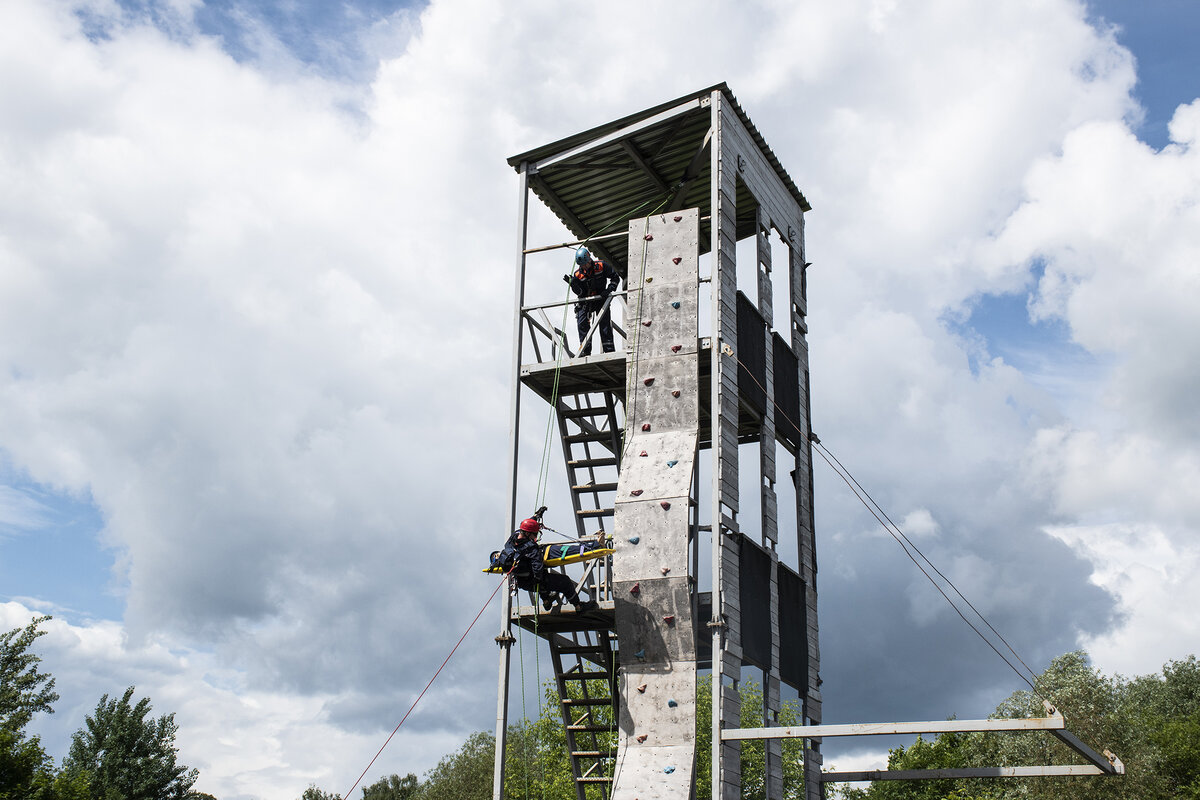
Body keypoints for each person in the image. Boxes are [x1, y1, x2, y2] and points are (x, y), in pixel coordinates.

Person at [497, 515, 597, 612]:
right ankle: (578, 606)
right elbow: (537, 568)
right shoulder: (531, 547)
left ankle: (546, 600)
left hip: (522, 582)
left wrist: (536, 516)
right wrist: (540, 580)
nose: (536, 537)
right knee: (564, 582)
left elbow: (527, 526)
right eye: (535, 534)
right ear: (528, 534)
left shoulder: (512, 538)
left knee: (542, 577)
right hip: (531, 582)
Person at [564, 246, 620, 356]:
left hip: (601, 299)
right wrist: (574, 285)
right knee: (582, 322)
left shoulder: (601, 266)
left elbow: (615, 277)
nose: (584, 267)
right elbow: (581, 293)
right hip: (587, 301)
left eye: (586, 264)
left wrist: (609, 290)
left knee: (604, 323)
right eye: (582, 265)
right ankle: (585, 350)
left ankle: (608, 349)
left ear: (590, 259)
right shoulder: (578, 275)